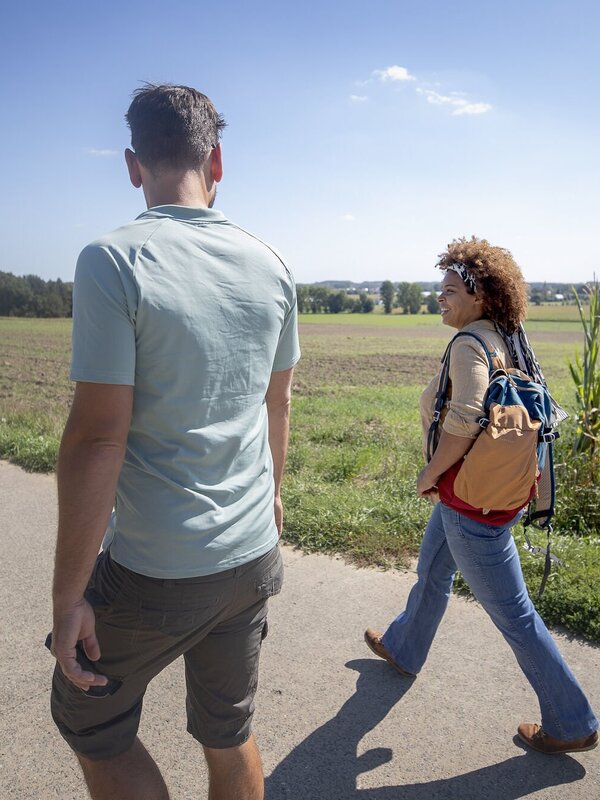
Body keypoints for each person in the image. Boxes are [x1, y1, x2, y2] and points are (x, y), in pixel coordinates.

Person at [49, 84, 300, 800]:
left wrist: (69, 597)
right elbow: (277, 402)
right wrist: (273, 497)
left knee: (91, 722)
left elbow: (98, 440)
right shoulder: (271, 262)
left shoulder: (113, 260)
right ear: (216, 160)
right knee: (228, 730)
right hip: (252, 553)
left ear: (133, 166)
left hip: (157, 566)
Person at [365, 237, 598, 756]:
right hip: (490, 491)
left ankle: (572, 720)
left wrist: (429, 473)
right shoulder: (507, 338)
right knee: (432, 569)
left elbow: (465, 418)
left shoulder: (471, 343)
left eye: (450, 290)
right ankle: (404, 646)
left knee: (515, 615)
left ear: (481, 297)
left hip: (470, 502)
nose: (440, 298)